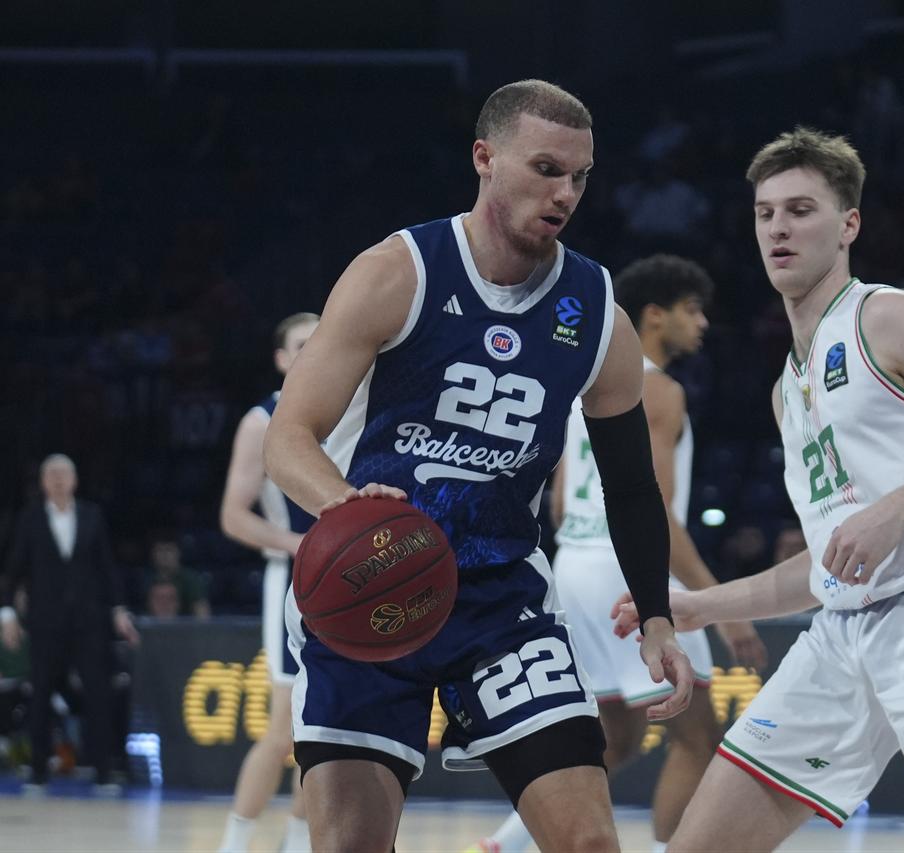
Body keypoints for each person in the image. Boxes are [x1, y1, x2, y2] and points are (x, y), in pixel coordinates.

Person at [261, 80, 693, 853]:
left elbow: (632, 485)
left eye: (581, 176)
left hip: (499, 602)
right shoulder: (398, 271)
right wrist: (346, 504)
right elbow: (289, 435)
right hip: (371, 590)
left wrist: (656, 615)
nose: (566, 193)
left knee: (591, 843)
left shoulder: (596, 313)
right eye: (547, 168)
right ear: (484, 158)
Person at [615, 127, 904, 851]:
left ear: (848, 224)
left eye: (800, 209)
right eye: (765, 213)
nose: (779, 228)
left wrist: (896, 509)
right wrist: (700, 604)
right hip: (844, 635)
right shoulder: (788, 389)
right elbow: (830, 561)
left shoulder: (893, 316)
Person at [471, 255, 769, 853]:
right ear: (654, 317)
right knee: (699, 742)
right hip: (623, 571)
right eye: (691, 310)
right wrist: (722, 605)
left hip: (572, 566)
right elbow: (653, 511)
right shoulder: (657, 390)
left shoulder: (582, 386)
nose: (703, 323)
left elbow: (556, 504)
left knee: (619, 736)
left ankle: (502, 845)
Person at [216, 312, 319, 853]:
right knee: (283, 729)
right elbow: (234, 517)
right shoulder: (262, 419)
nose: (312, 350)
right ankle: (233, 844)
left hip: (350, 582)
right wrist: (301, 545)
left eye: (319, 341)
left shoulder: (356, 407)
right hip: (293, 583)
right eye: (301, 344)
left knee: (325, 731)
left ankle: (298, 844)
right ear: (281, 359)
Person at [1, 454, 139, 791]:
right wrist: (7, 615)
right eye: (52, 474)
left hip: (88, 621)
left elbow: (107, 568)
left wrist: (119, 609)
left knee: (98, 693)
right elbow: (14, 570)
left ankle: (103, 770)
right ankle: (37, 770)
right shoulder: (30, 519)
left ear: (74, 480)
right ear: (43, 482)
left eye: (64, 473)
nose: (59, 479)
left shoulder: (91, 516)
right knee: (41, 693)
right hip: (45, 623)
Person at [144, 537, 211, 620]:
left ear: (178, 553)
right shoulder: (147, 578)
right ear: (153, 554)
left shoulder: (190, 579)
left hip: (184, 629)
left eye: (169, 550)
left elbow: (202, 612)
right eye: (160, 550)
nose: (164, 555)